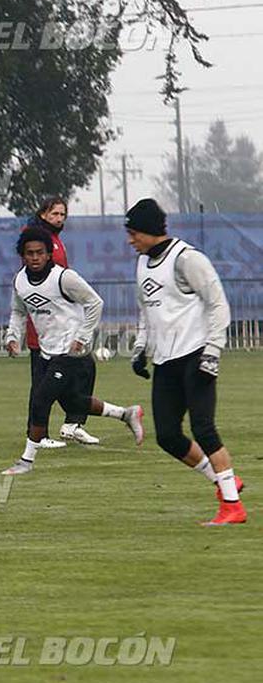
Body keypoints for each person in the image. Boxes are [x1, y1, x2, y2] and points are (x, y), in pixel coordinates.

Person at [126, 198, 246, 525]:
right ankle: (224, 482)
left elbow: (218, 304)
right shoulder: (141, 263)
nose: (130, 240)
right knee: (167, 436)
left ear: (150, 231)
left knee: (203, 428)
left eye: (134, 233)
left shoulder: (187, 258)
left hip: (197, 355)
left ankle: (233, 507)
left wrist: (213, 351)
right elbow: (145, 311)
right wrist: (140, 349)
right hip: (166, 362)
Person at [2, 227, 144, 475]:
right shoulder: (19, 281)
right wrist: (12, 336)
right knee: (74, 403)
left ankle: (26, 461)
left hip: (70, 352)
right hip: (47, 351)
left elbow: (95, 302)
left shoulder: (64, 278)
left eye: (40, 253)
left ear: (49, 254)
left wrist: (82, 336)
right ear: (22, 256)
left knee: (41, 399)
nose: (35, 257)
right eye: (29, 253)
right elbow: (18, 311)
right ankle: (125, 414)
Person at [20, 197, 100, 447]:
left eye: (63, 215)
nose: (59, 219)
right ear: (42, 213)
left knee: (84, 370)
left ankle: (72, 424)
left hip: (65, 325)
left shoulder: (56, 241)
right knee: (42, 383)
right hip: (45, 328)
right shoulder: (36, 238)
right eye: (54, 214)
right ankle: (38, 433)